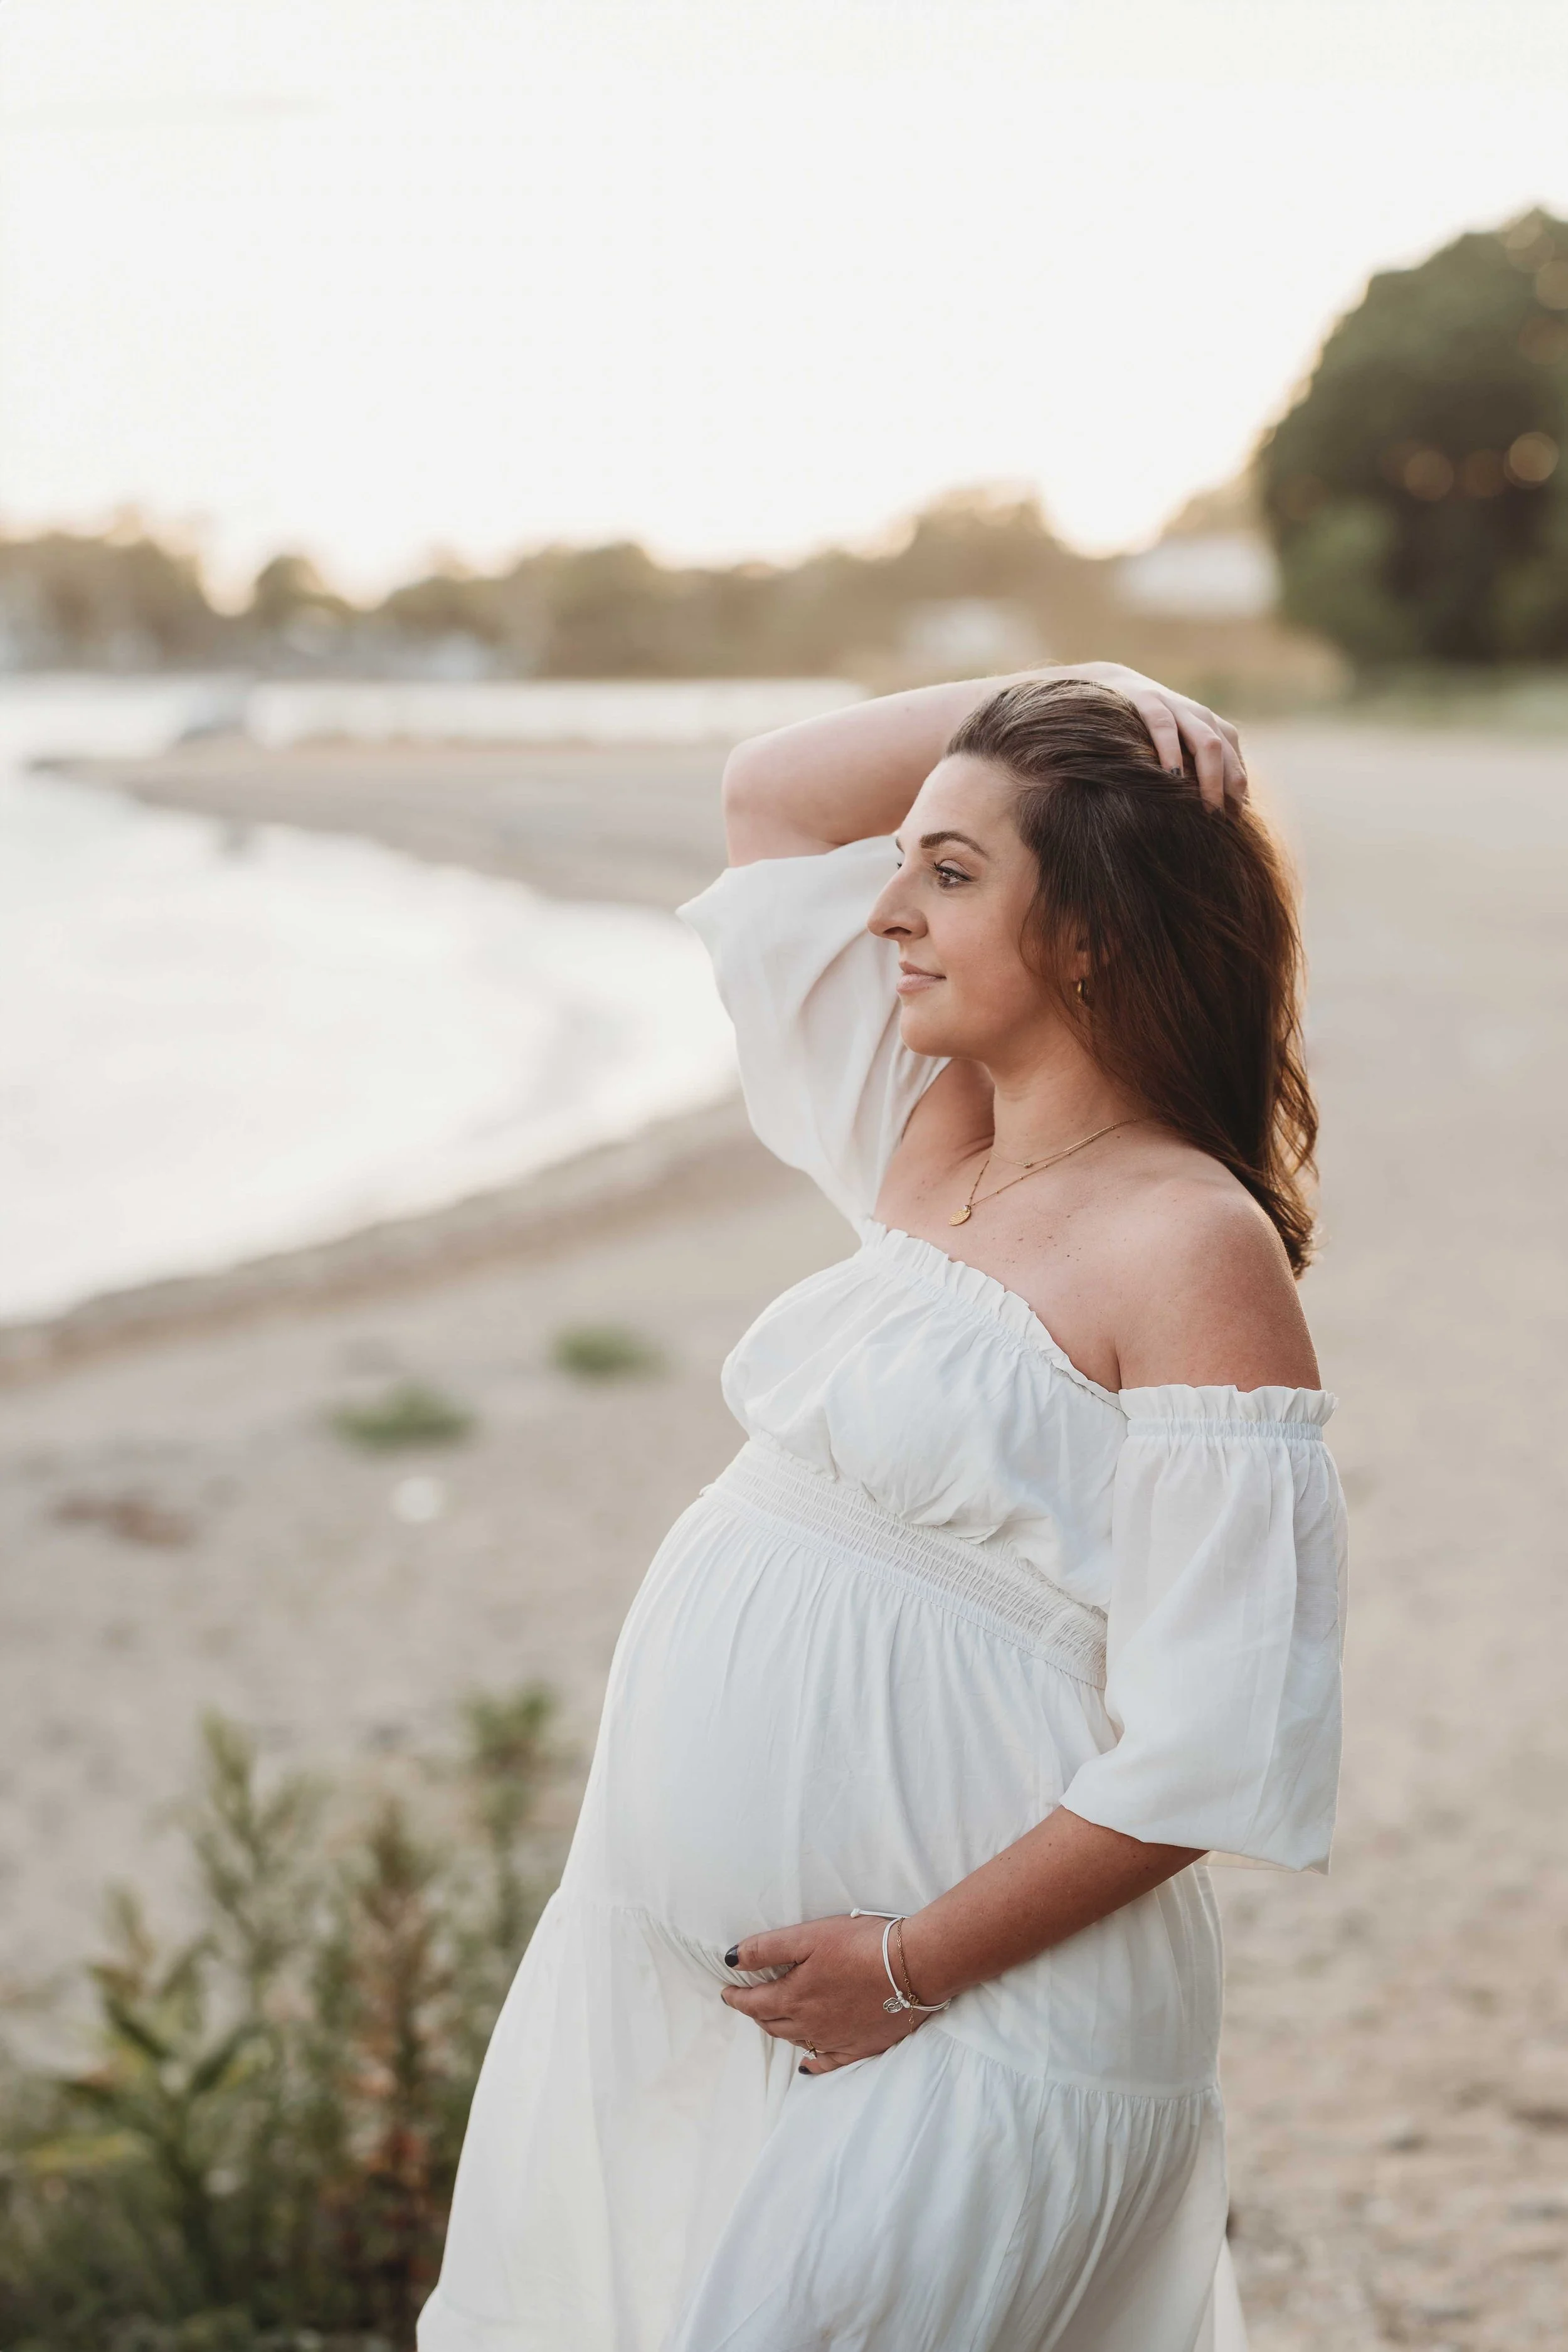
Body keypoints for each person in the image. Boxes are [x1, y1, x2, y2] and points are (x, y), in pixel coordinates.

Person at [419, 665, 1346, 2352]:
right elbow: (772, 793)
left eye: (949, 873)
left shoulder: (1188, 1247)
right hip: (751, 2013)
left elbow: (1212, 1741)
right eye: (903, 858)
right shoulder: (932, 1144)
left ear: (1090, 934)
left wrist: (909, 1960)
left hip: (971, 2024)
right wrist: (1068, 684)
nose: (883, 911)